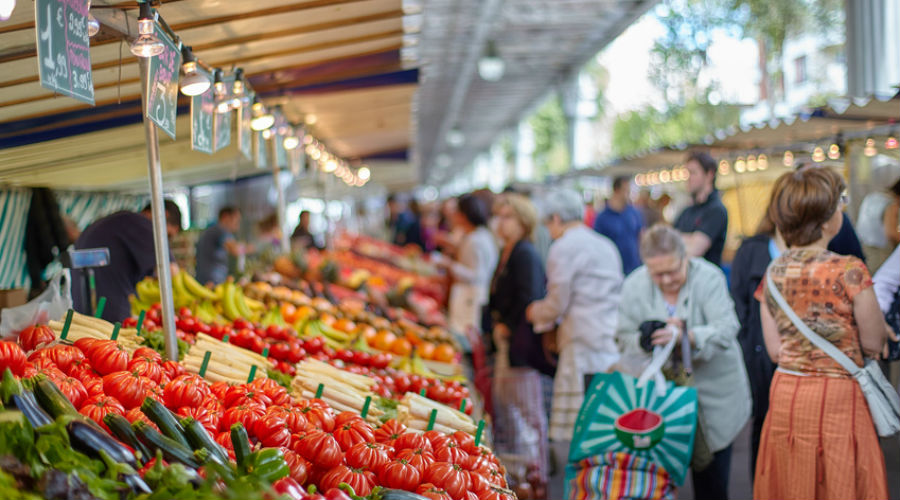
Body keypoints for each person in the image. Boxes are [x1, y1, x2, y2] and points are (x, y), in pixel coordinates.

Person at [753, 167, 891, 500]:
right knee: (841, 479)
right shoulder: (850, 270)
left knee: (791, 481)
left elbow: (774, 350)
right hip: (839, 395)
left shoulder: (773, 273)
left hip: (787, 391)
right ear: (828, 219)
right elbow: (874, 344)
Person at [616, 225, 750, 500]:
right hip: (659, 402)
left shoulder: (709, 277)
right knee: (657, 486)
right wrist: (644, 340)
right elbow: (622, 336)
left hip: (715, 398)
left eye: (673, 271)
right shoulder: (633, 285)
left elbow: (728, 328)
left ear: (685, 257)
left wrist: (688, 337)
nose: (666, 280)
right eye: (657, 274)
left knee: (712, 484)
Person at [525, 188, 623, 500]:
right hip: (609, 340)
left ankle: (586, 488)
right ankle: (605, 486)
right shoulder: (604, 244)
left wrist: (534, 312)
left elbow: (557, 301)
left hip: (581, 342)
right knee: (606, 422)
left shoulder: (563, 247)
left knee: (581, 427)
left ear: (555, 219)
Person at [488, 193, 553, 497]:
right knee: (513, 410)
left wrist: (508, 325)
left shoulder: (524, 253)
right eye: (498, 215)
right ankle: (523, 475)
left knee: (528, 413)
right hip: (508, 346)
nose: (500, 222)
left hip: (521, 350)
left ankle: (537, 479)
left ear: (523, 221)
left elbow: (529, 296)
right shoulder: (508, 250)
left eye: (507, 216)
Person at [728, 205, 782, 478]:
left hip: (794, 363)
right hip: (759, 354)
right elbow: (738, 303)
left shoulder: (812, 254)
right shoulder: (752, 250)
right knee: (762, 425)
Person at [72, 201, 182, 322]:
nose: (167, 240)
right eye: (169, 235)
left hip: (82, 305)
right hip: (109, 308)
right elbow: (171, 270)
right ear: (164, 215)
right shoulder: (144, 224)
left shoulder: (120, 220)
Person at [437, 194, 498, 335]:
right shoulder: (479, 235)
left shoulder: (475, 240)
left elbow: (476, 275)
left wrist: (449, 265)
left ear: (463, 215)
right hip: (469, 296)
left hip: (469, 298)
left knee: (465, 335)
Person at [674, 152, 728, 267]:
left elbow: (695, 249)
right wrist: (690, 238)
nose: (688, 179)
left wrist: (679, 238)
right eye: (687, 173)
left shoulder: (716, 210)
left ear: (709, 174)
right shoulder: (687, 211)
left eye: (693, 173)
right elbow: (667, 241)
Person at [593, 176, 644, 274]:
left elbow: (640, 236)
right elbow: (598, 244)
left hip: (634, 267)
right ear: (616, 190)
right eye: (626, 191)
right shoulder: (602, 217)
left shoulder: (634, 212)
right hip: (612, 268)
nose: (629, 194)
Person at [857, 167, 900, 271]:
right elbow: (891, 233)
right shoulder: (891, 204)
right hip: (879, 253)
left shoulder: (872, 196)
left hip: (861, 248)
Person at [195, 206, 250, 285]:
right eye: (236, 220)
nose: (237, 225)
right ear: (226, 216)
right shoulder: (220, 229)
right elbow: (235, 250)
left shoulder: (212, 229)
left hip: (204, 278)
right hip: (211, 281)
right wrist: (251, 248)